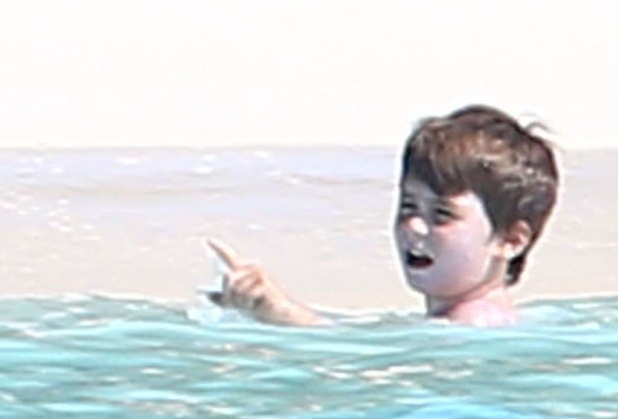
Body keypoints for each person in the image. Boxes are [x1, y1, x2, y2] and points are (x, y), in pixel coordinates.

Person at [208, 105, 560, 327]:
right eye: (408, 208)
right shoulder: (468, 323)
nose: (414, 226)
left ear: (511, 240)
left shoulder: (474, 323)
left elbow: (362, 367)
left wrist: (282, 314)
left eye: (442, 215)